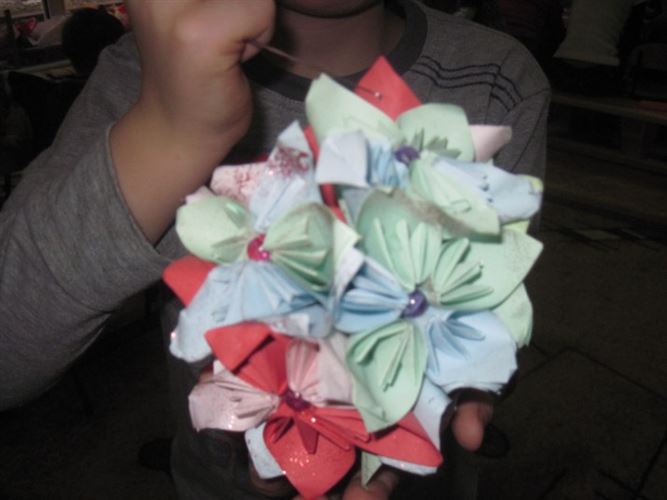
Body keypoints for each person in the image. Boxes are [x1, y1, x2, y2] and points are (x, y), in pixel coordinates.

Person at [0, 1, 549, 498]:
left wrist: (470, 378)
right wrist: (168, 133)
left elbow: (498, 305)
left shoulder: (498, 77)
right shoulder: (146, 70)